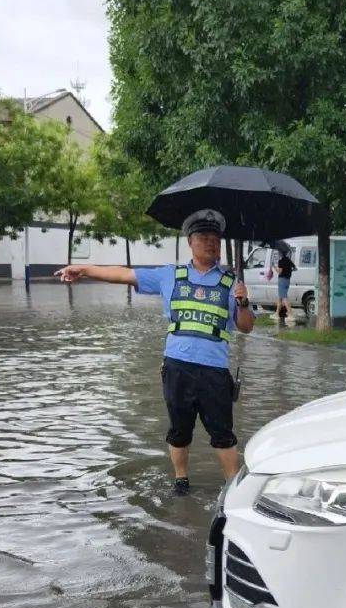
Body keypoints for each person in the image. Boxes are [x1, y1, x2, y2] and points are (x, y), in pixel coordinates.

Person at [55, 209, 253, 495]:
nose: (211, 243)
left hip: (214, 370)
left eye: (216, 238)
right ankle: (181, 479)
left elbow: (246, 327)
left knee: (223, 433)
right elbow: (124, 274)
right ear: (191, 242)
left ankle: (234, 489)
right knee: (179, 430)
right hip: (177, 367)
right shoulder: (169, 275)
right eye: (204, 237)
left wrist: (243, 303)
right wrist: (83, 269)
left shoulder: (232, 283)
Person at [275, 248, 296, 320]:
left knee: (284, 298)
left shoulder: (280, 261)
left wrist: (275, 268)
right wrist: (288, 270)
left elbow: (279, 272)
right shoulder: (289, 260)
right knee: (280, 297)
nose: (278, 254)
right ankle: (277, 314)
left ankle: (290, 314)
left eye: (278, 253)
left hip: (282, 280)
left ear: (280, 253)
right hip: (288, 280)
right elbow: (295, 268)